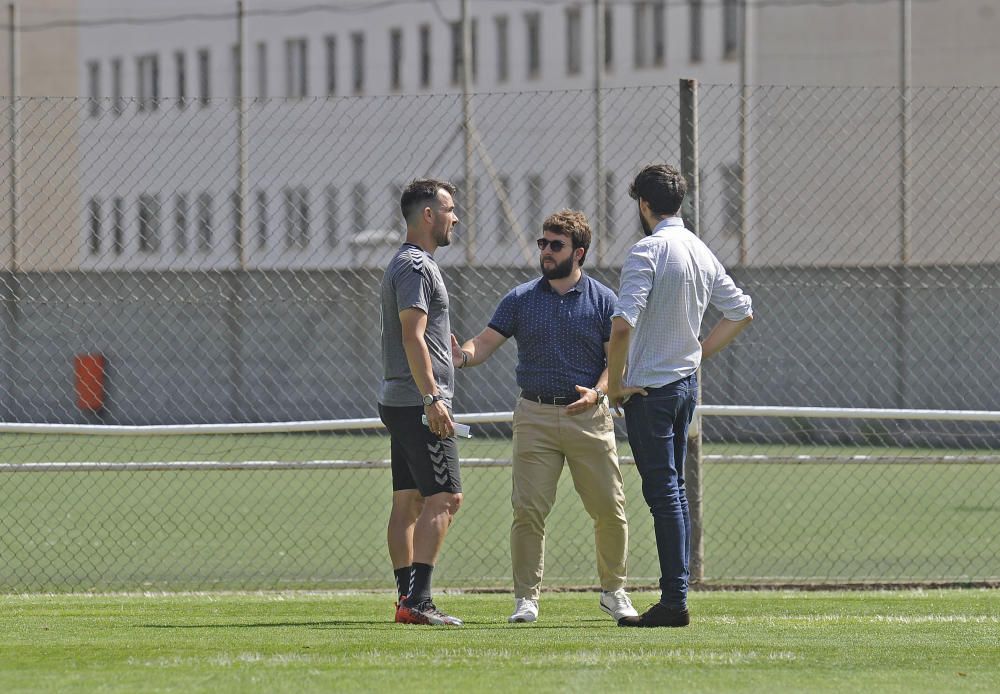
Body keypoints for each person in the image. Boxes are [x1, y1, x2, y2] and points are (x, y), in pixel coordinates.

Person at [454, 209, 638, 625]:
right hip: (534, 415)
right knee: (528, 511)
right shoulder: (520, 299)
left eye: (556, 245)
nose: (546, 251)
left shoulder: (604, 300)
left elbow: (616, 362)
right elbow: (484, 342)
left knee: (610, 509)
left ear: (579, 253)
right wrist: (461, 356)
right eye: (543, 243)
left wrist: (600, 391)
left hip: (588, 417)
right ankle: (526, 600)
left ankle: (614, 593)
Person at [607, 164, 753, 628]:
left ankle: (674, 601)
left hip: (649, 390)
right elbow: (741, 312)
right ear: (680, 202)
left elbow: (623, 323)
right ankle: (676, 594)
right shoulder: (700, 250)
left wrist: (613, 385)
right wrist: (697, 354)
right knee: (675, 494)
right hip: (685, 386)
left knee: (664, 493)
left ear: (644, 205)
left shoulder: (646, 251)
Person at [378, 178, 464, 626]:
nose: (456, 216)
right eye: (450, 208)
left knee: (409, 500)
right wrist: (432, 397)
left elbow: (420, 335)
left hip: (401, 399)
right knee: (446, 497)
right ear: (428, 215)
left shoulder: (409, 263)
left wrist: (441, 349)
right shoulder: (415, 266)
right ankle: (419, 601)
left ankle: (405, 599)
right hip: (417, 401)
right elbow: (412, 335)